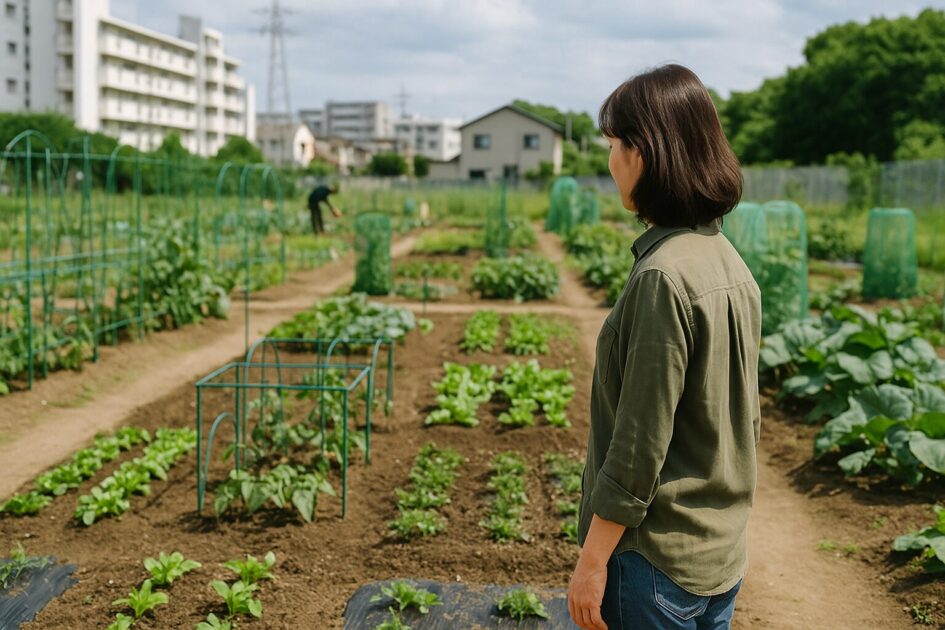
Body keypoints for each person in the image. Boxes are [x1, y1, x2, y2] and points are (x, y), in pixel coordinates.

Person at [567, 64, 761, 630]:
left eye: (613, 145)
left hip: (653, 563)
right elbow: (745, 419)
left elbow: (638, 444)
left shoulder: (663, 276)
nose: (610, 162)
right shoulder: (729, 262)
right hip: (720, 557)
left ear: (643, 154)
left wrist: (593, 560)